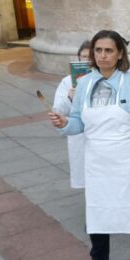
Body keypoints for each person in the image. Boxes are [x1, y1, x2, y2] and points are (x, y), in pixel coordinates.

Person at [48, 31, 130, 260]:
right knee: (98, 210)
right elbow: (79, 122)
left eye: (109, 50)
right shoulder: (85, 84)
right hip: (97, 159)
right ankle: (100, 259)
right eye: (98, 51)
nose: (103, 56)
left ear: (120, 53)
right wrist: (65, 122)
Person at [53, 40, 90, 190]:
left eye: (90, 57)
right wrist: (69, 97)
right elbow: (57, 110)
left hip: (99, 133)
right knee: (85, 175)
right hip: (79, 135)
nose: (86, 60)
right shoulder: (67, 81)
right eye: (83, 56)